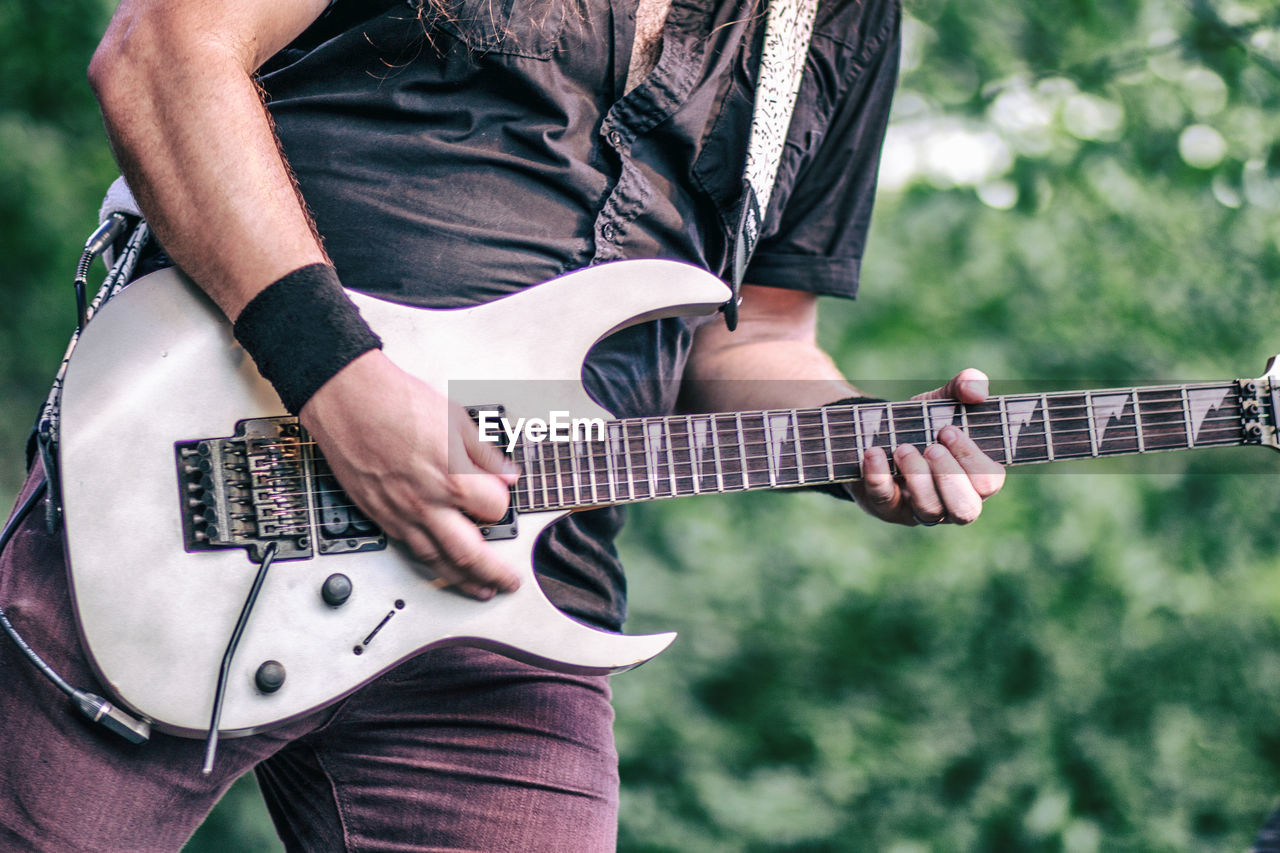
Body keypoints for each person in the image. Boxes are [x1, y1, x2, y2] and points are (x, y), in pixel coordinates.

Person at [0, 0, 1005, 848]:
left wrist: (856, 432)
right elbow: (165, 52)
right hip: (201, 485)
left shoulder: (834, 18)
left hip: (519, 603)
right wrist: (338, 384)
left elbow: (757, 334)